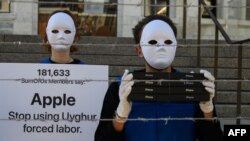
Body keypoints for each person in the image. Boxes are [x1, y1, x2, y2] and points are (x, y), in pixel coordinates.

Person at [94, 15, 223, 141]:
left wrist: (208, 112)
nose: (161, 47)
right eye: (152, 42)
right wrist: (120, 117)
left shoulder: (193, 86)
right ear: (139, 50)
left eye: (167, 42)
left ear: (175, 46)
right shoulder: (120, 88)